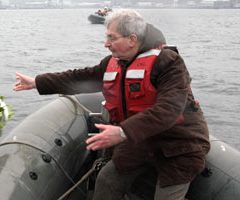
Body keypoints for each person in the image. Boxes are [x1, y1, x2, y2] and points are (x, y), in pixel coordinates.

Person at [13, 9, 210, 200]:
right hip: (140, 141)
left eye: (112, 38)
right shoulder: (112, 62)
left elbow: (169, 110)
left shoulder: (169, 62)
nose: (106, 44)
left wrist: (121, 132)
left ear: (132, 39)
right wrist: (37, 82)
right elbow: (80, 77)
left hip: (178, 146)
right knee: (107, 180)